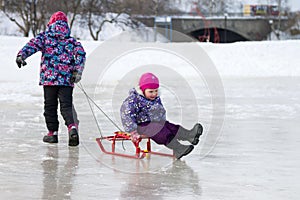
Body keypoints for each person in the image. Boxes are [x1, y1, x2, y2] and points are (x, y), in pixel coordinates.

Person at [16, 11, 86, 146]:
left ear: (51, 23)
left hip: (49, 79)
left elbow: (31, 45)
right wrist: (77, 71)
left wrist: (21, 56)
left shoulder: (45, 37)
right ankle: (72, 128)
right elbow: (81, 54)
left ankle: (52, 133)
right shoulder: (71, 40)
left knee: (50, 106)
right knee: (66, 106)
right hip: (66, 80)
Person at [120, 72, 203, 159]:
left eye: (156, 91)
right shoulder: (133, 100)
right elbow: (126, 114)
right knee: (161, 132)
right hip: (142, 125)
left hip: (156, 122)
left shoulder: (155, 98)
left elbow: (160, 109)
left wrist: (163, 121)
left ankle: (189, 135)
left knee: (170, 127)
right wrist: (133, 131)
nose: (154, 94)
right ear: (142, 90)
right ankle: (178, 148)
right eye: (151, 91)